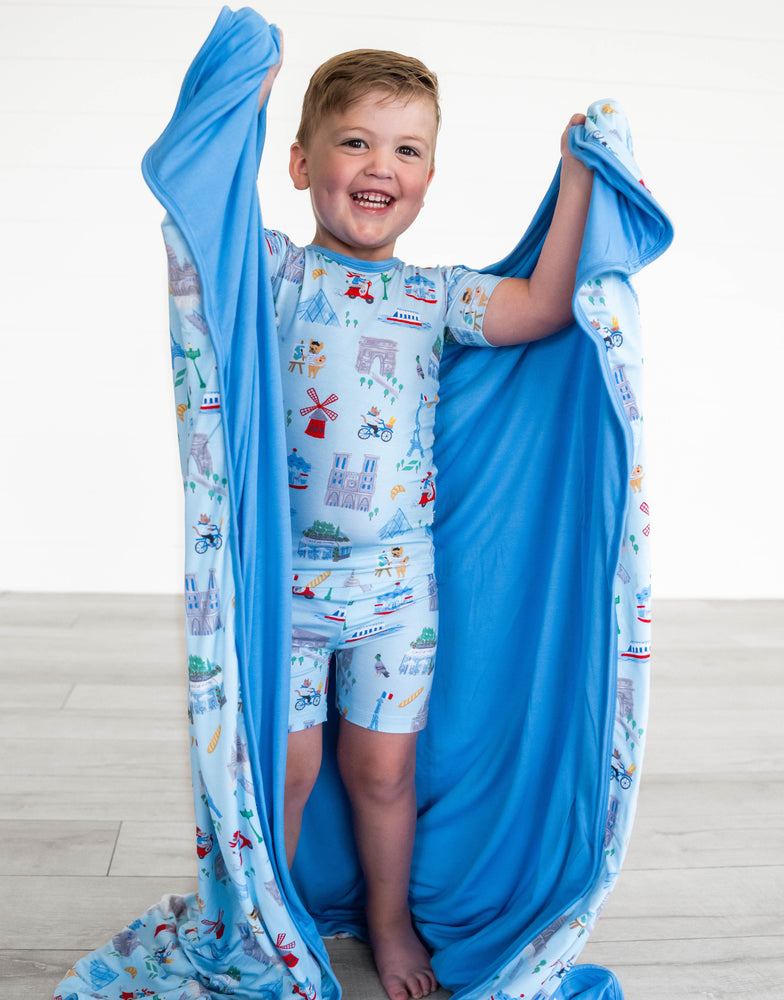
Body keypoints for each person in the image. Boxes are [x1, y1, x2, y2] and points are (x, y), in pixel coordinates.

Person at [253, 36, 594, 1000]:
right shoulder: (277, 278)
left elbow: (542, 307)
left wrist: (571, 181)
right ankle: (277, 930)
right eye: (353, 143)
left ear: (430, 177)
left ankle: (389, 923)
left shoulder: (433, 295)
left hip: (399, 588)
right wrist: (249, 98)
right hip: (287, 588)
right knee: (286, 774)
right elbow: (204, 223)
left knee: (382, 774)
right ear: (301, 164)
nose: (378, 167)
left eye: (405, 151)